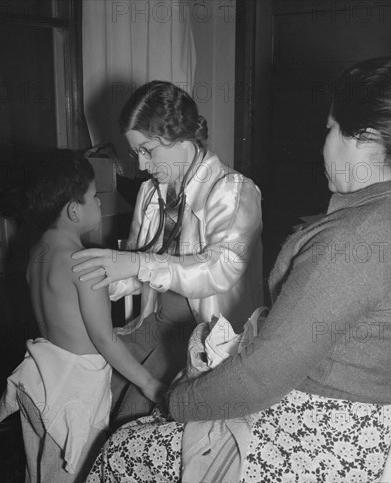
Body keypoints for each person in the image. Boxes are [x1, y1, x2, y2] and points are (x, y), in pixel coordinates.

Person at [76, 57, 391, 483]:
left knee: (122, 456)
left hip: (324, 448)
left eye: (330, 129)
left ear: (364, 137)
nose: (323, 143)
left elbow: (260, 377)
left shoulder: (360, 238)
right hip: (363, 431)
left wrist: (176, 403)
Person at [0, 149, 164, 483]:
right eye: (93, 196)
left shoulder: (38, 253)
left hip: (38, 382)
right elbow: (103, 341)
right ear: (73, 211)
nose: (101, 201)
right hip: (72, 399)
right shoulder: (86, 262)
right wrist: (150, 384)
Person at [72, 81, 264, 423]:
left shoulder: (233, 190)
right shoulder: (150, 194)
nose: (143, 166)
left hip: (202, 336)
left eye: (148, 150)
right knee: (93, 394)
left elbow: (220, 270)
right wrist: (100, 277)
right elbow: (136, 271)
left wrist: (136, 263)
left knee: (130, 419)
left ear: (178, 136)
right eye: (136, 154)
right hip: (156, 324)